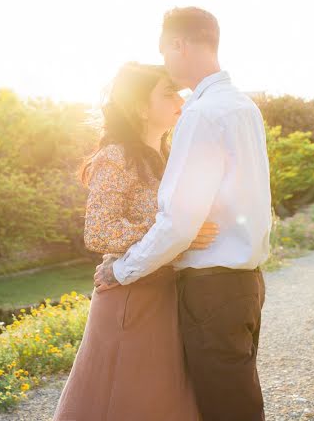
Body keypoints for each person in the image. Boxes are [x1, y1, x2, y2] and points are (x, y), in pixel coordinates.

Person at [94, 6, 272, 421]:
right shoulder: (244, 107)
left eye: (165, 51)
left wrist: (121, 271)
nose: (167, 66)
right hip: (247, 283)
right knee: (239, 399)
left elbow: (178, 222)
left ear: (178, 44)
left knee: (226, 408)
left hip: (211, 287)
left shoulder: (202, 114)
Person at [52, 62, 218, 421]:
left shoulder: (172, 156)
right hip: (130, 297)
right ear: (141, 107)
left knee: (167, 398)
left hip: (171, 293)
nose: (180, 99)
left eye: (179, 92)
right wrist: (176, 232)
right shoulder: (116, 157)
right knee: (128, 401)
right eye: (168, 92)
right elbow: (98, 230)